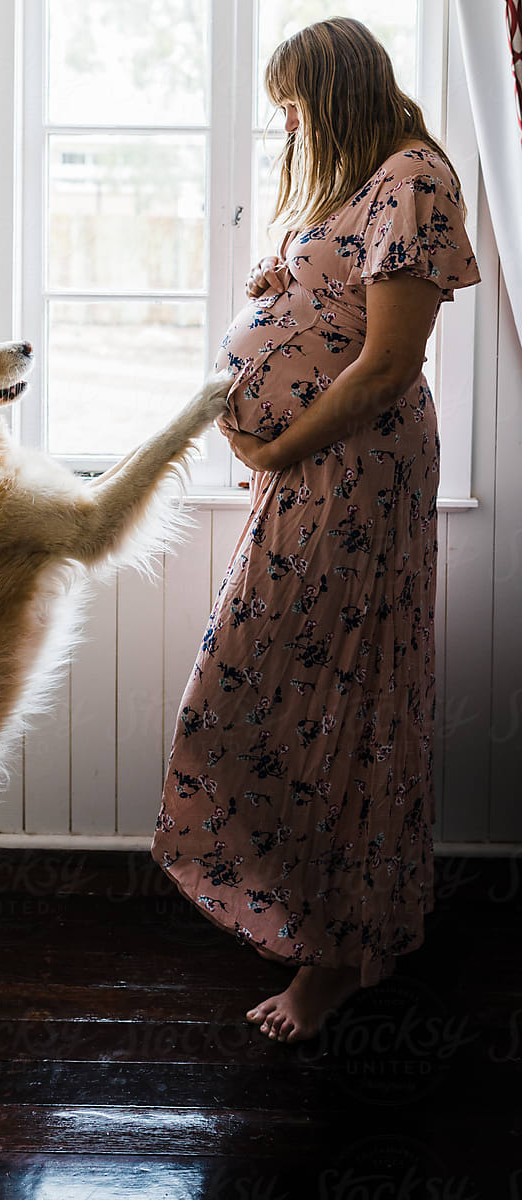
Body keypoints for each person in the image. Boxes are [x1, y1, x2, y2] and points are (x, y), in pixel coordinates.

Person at [151, 17, 480, 1045]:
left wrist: (278, 446)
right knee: (279, 690)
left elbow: (385, 366)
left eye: (291, 105)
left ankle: (337, 958)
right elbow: (338, 302)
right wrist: (281, 285)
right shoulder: (361, 178)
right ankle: (313, 920)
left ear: (333, 91)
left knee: (344, 693)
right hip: (313, 474)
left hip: (351, 471)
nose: (284, 126)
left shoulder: (414, 179)